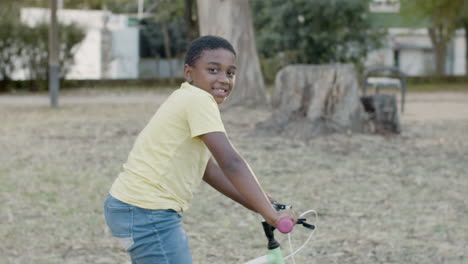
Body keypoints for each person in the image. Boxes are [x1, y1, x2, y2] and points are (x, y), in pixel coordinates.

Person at [104, 35, 296, 264]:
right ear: (189, 73)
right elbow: (231, 162)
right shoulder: (199, 100)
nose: (224, 79)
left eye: (230, 72)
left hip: (132, 207)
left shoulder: (188, 99)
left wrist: (263, 202)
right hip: (148, 211)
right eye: (213, 70)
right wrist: (272, 215)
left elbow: (209, 170)